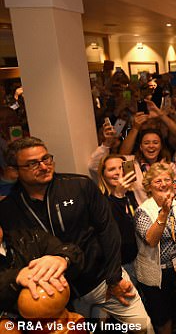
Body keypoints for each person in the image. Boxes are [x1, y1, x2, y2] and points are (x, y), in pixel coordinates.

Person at [0, 137, 153, 333]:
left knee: (142, 327)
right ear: (14, 170)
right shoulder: (8, 209)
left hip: (103, 280)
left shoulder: (79, 185)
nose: (44, 166)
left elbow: (108, 230)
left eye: (46, 159)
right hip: (60, 296)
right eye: (32, 164)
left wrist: (114, 277)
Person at [135, 163, 176, 334]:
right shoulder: (143, 210)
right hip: (156, 273)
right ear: (149, 186)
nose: (163, 184)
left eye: (167, 180)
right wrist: (164, 212)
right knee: (162, 316)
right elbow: (151, 240)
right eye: (157, 181)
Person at [0, 224, 83, 315]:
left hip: (64, 315)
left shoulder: (28, 237)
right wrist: (14, 277)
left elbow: (72, 251)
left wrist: (62, 258)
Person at [97, 154, 139, 282]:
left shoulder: (129, 194)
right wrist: (118, 195)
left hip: (135, 258)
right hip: (119, 264)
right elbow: (116, 232)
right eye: (111, 169)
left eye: (121, 167)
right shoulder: (100, 200)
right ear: (103, 174)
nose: (118, 173)